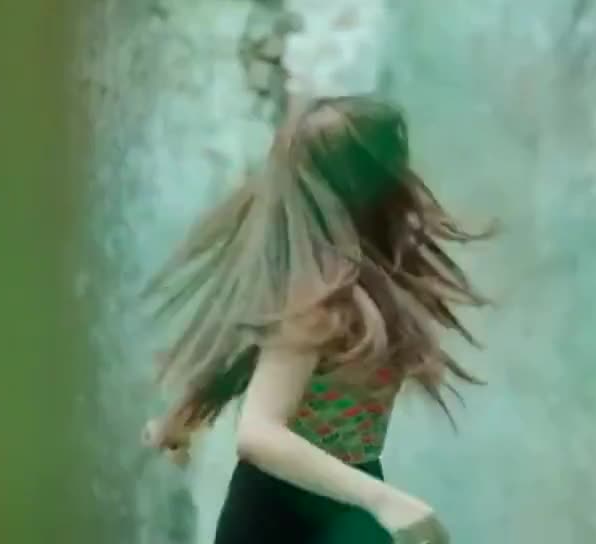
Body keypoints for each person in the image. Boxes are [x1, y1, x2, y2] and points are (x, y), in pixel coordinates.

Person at [141, 91, 493, 543]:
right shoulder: (315, 301)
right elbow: (258, 433)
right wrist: (385, 501)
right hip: (282, 517)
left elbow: (244, 360)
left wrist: (177, 423)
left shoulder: (356, 282)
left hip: (343, 499)